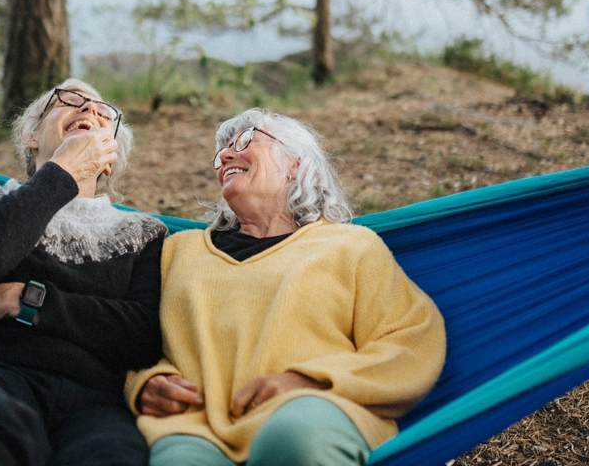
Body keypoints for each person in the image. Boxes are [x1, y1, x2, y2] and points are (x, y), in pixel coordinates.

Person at [130, 108, 446, 466]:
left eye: (246, 141)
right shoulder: (177, 252)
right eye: (222, 154)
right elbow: (128, 341)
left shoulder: (350, 246)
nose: (227, 157)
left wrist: (311, 383)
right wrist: (144, 385)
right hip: (198, 427)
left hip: (312, 414)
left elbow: (412, 340)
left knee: (293, 440)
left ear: (295, 163)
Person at [0, 79, 166, 466]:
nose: (89, 110)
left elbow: (142, 334)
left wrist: (19, 299)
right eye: (70, 100)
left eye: (102, 111)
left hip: (96, 403)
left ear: (109, 157)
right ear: (31, 136)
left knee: (112, 455)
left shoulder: (143, 235)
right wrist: (64, 170)